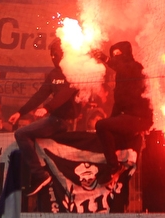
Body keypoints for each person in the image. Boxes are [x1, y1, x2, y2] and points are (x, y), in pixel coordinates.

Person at [8, 38, 79, 196]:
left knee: (21, 133)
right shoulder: (53, 74)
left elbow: (64, 95)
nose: (53, 57)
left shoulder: (74, 72)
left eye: (55, 54)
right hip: (55, 119)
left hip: (63, 121)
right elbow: (40, 95)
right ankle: (42, 171)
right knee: (25, 133)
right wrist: (21, 112)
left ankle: (40, 175)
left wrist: (47, 108)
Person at [95, 41, 153, 183]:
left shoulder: (135, 68)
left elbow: (124, 69)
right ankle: (119, 170)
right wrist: (111, 121)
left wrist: (106, 59)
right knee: (104, 127)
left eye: (118, 54)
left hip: (139, 117)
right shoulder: (120, 75)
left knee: (101, 125)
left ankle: (114, 167)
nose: (115, 57)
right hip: (128, 116)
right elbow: (119, 101)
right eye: (113, 55)